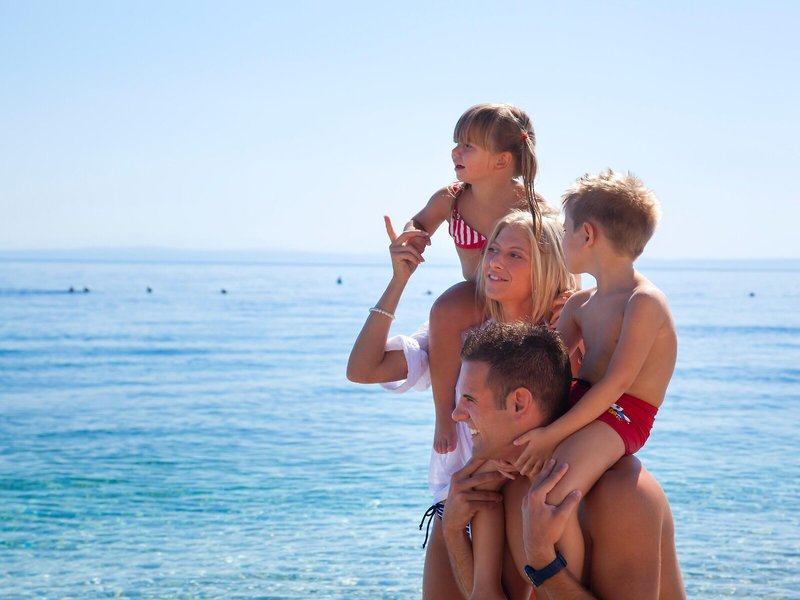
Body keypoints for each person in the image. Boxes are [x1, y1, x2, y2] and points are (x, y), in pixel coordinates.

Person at [347, 211, 574, 599]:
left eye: (515, 255)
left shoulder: (563, 338)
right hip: (455, 504)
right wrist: (399, 279)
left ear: (546, 267)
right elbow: (362, 369)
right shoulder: (460, 337)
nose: (495, 262)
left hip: (523, 507)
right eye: (493, 250)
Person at [509, 169, 677, 577]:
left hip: (623, 413)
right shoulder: (580, 303)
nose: (562, 238)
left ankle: (570, 584)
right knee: (516, 465)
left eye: (566, 229)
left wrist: (552, 433)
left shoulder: (644, 302)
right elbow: (547, 370)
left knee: (550, 494)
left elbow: (618, 384)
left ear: (586, 234)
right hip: (582, 400)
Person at [443, 321, 685, 599]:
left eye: (469, 399)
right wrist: (453, 532)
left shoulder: (624, 492)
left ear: (519, 403)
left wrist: (542, 560)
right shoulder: (508, 483)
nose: (456, 415)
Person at [400, 103, 547, 456]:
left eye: (468, 146)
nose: (456, 152)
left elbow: (561, 261)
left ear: (501, 161)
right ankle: (444, 415)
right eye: (456, 144)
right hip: (480, 293)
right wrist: (411, 235)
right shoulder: (451, 199)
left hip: (521, 297)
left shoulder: (532, 207)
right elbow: (419, 221)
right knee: (445, 310)